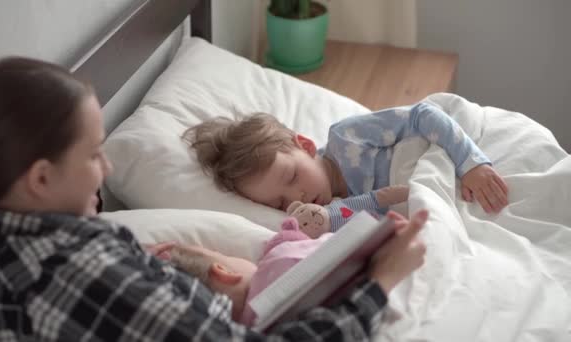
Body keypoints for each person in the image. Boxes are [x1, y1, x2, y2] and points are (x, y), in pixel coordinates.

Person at [0, 56, 427, 341]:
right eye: (92, 155)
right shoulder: (77, 279)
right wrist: (377, 286)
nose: (105, 170)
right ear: (40, 178)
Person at [183, 107, 509, 229]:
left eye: (292, 176)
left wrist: (471, 164)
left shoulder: (346, 140)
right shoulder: (334, 216)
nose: (298, 197)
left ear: (306, 146)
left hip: (449, 160)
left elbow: (422, 115)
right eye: (280, 204)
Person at [157, 211, 419, 327]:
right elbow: (325, 245)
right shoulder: (275, 262)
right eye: (225, 255)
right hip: (381, 279)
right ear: (224, 271)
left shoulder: (252, 330)